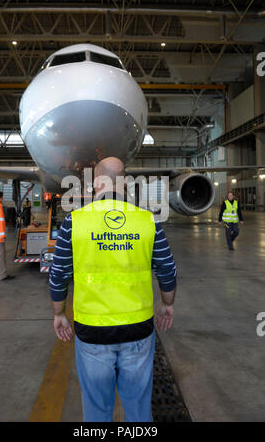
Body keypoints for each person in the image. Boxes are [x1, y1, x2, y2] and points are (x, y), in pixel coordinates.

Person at [49, 157, 177, 422]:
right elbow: (167, 269)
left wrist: (59, 313)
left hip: (92, 330)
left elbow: (59, 273)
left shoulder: (74, 222)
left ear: (96, 183)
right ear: (126, 183)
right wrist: (167, 304)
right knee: (139, 408)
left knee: (96, 409)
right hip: (138, 328)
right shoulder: (147, 221)